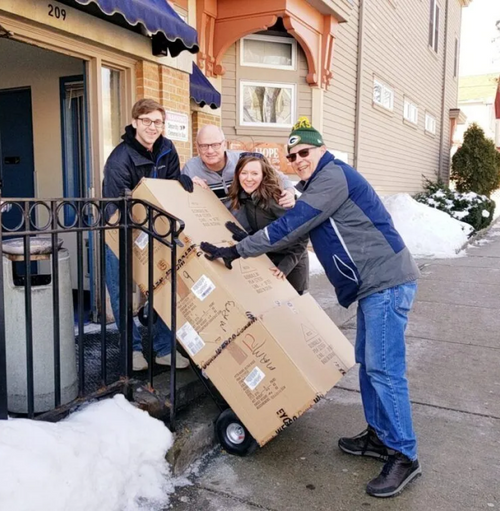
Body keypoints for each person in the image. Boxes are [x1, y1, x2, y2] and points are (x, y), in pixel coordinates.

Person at [200, 117, 421, 498]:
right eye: (293, 155)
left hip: (386, 281)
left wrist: (236, 251)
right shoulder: (318, 183)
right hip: (373, 285)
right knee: (369, 365)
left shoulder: (333, 176)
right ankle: (381, 437)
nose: (299, 159)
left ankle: (404, 454)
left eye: (305, 152)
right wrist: (254, 232)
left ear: (321, 149)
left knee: (384, 369)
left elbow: (296, 226)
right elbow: (297, 217)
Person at [103, 98, 194, 372]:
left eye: (157, 122)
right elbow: (119, 203)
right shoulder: (120, 158)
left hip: (156, 229)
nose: (152, 127)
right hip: (119, 228)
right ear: (134, 123)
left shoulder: (167, 149)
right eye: (146, 121)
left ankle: (164, 348)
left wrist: (181, 184)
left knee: (162, 286)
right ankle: (132, 350)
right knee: (120, 290)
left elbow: (171, 187)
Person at [181, 125, 296, 229]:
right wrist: (193, 191)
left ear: (224, 144)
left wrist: (290, 192)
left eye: (215, 145)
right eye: (204, 146)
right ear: (197, 146)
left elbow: (280, 177)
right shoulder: (190, 169)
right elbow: (183, 203)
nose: (210, 151)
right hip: (213, 230)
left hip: (248, 230)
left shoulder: (243, 160)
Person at [225, 152, 309, 295]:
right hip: (268, 261)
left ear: (263, 175)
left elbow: (302, 235)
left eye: (254, 173)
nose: (248, 178)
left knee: (292, 312)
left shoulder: (276, 198)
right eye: (244, 173)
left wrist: (285, 266)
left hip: (290, 265)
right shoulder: (245, 196)